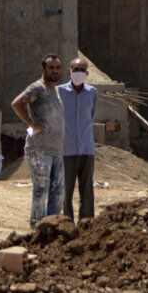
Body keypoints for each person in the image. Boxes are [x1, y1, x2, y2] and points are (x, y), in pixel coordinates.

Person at [10, 54, 65, 227]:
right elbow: (17, 104)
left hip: (57, 150)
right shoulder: (37, 88)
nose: (54, 71)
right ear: (43, 69)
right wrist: (32, 124)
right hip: (39, 149)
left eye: (57, 68)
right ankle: (37, 227)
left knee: (58, 191)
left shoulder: (56, 91)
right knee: (41, 190)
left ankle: (53, 227)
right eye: (51, 67)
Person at [58, 56, 98, 222]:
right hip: (66, 149)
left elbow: (91, 115)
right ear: (69, 71)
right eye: (76, 69)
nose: (78, 72)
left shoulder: (92, 92)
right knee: (66, 191)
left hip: (86, 149)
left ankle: (87, 224)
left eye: (82, 70)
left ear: (87, 73)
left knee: (87, 190)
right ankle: (66, 223)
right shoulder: (60, 92)